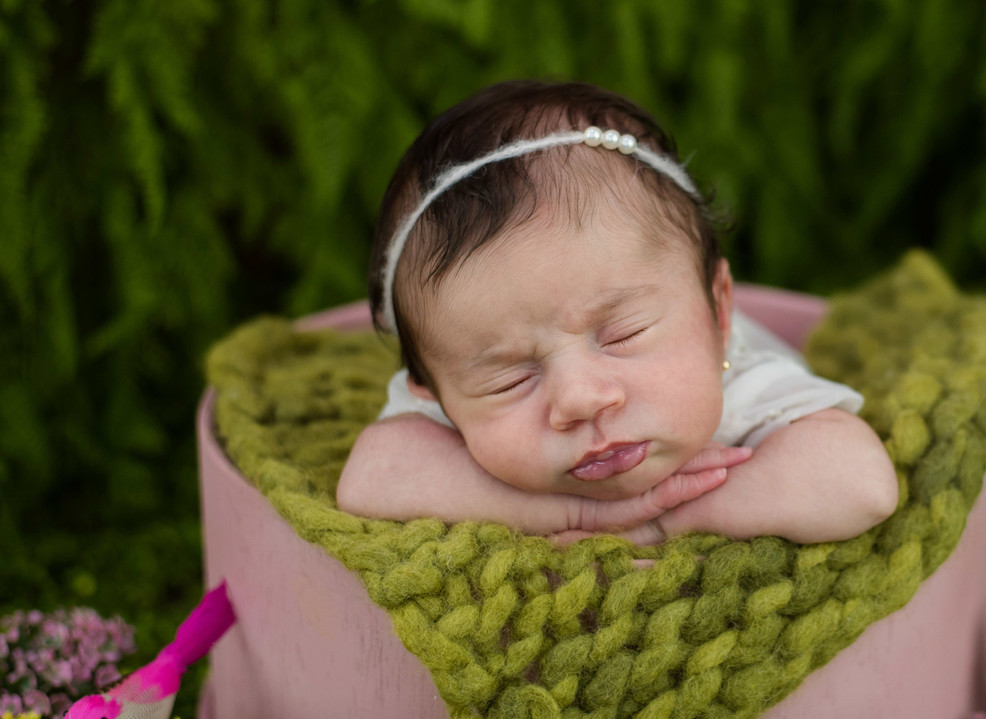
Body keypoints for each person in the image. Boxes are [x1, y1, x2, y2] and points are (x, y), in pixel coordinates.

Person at [337, 80, 897, 545]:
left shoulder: (740, 388)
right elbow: (373, 476)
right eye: (512, 378)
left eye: (623, 335)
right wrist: (581, 515)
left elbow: (859, 483)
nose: (581, 400)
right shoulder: (455, 377)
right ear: (430, 392)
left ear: (719, 312)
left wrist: (661, 518)